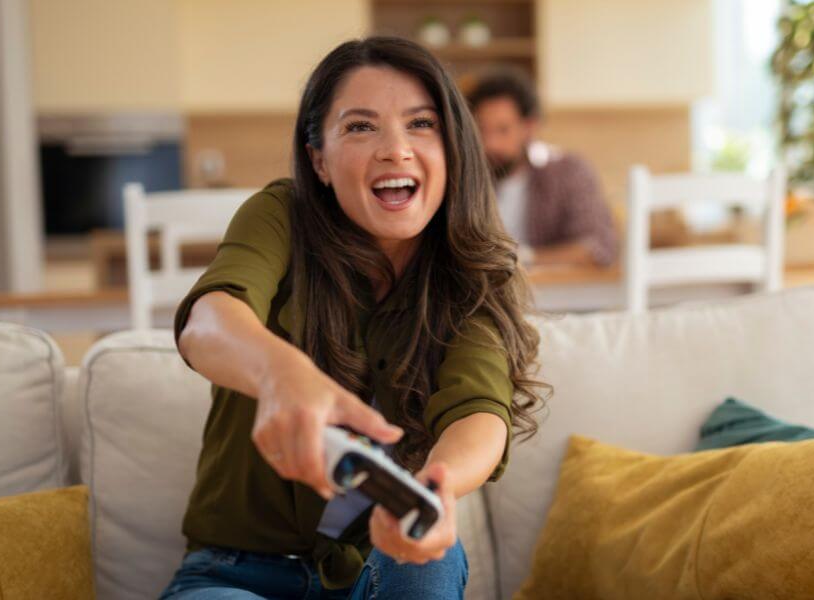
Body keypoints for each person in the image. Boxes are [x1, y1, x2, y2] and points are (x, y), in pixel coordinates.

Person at [160, 37, 546, 600]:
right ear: (318, 158)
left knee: (432, 560)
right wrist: (278, 373)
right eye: (361, 127)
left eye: (421, 124)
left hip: (379, 566)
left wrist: (436, 490)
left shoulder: (476, 272)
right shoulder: (280, 216)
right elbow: (209, 321)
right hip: (233, 573)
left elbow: (479, 413)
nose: (396, 150)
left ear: (455, 147)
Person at [466, 68, 618, 268]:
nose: (490, 144)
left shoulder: (568, 172)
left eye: (503, 130)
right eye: (481, 130)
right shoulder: (466, 180)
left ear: (529, 127)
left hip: (554, 294)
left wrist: (521, 258)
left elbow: (597, 247)